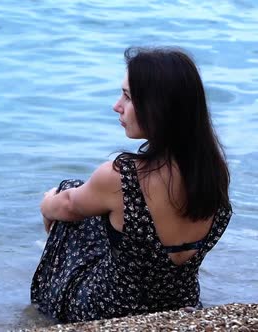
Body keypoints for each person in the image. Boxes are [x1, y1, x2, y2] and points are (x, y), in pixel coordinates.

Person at [30, 46, 232, 323]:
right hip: (180, 305)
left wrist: (46, 202)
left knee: (68, 191)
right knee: (90, 200)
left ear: (158, 106)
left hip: (107, 310)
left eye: (127, 96)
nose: (117, 106)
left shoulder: (122, 176)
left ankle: (46, 311)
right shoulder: (214, 174)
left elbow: (65, 206)